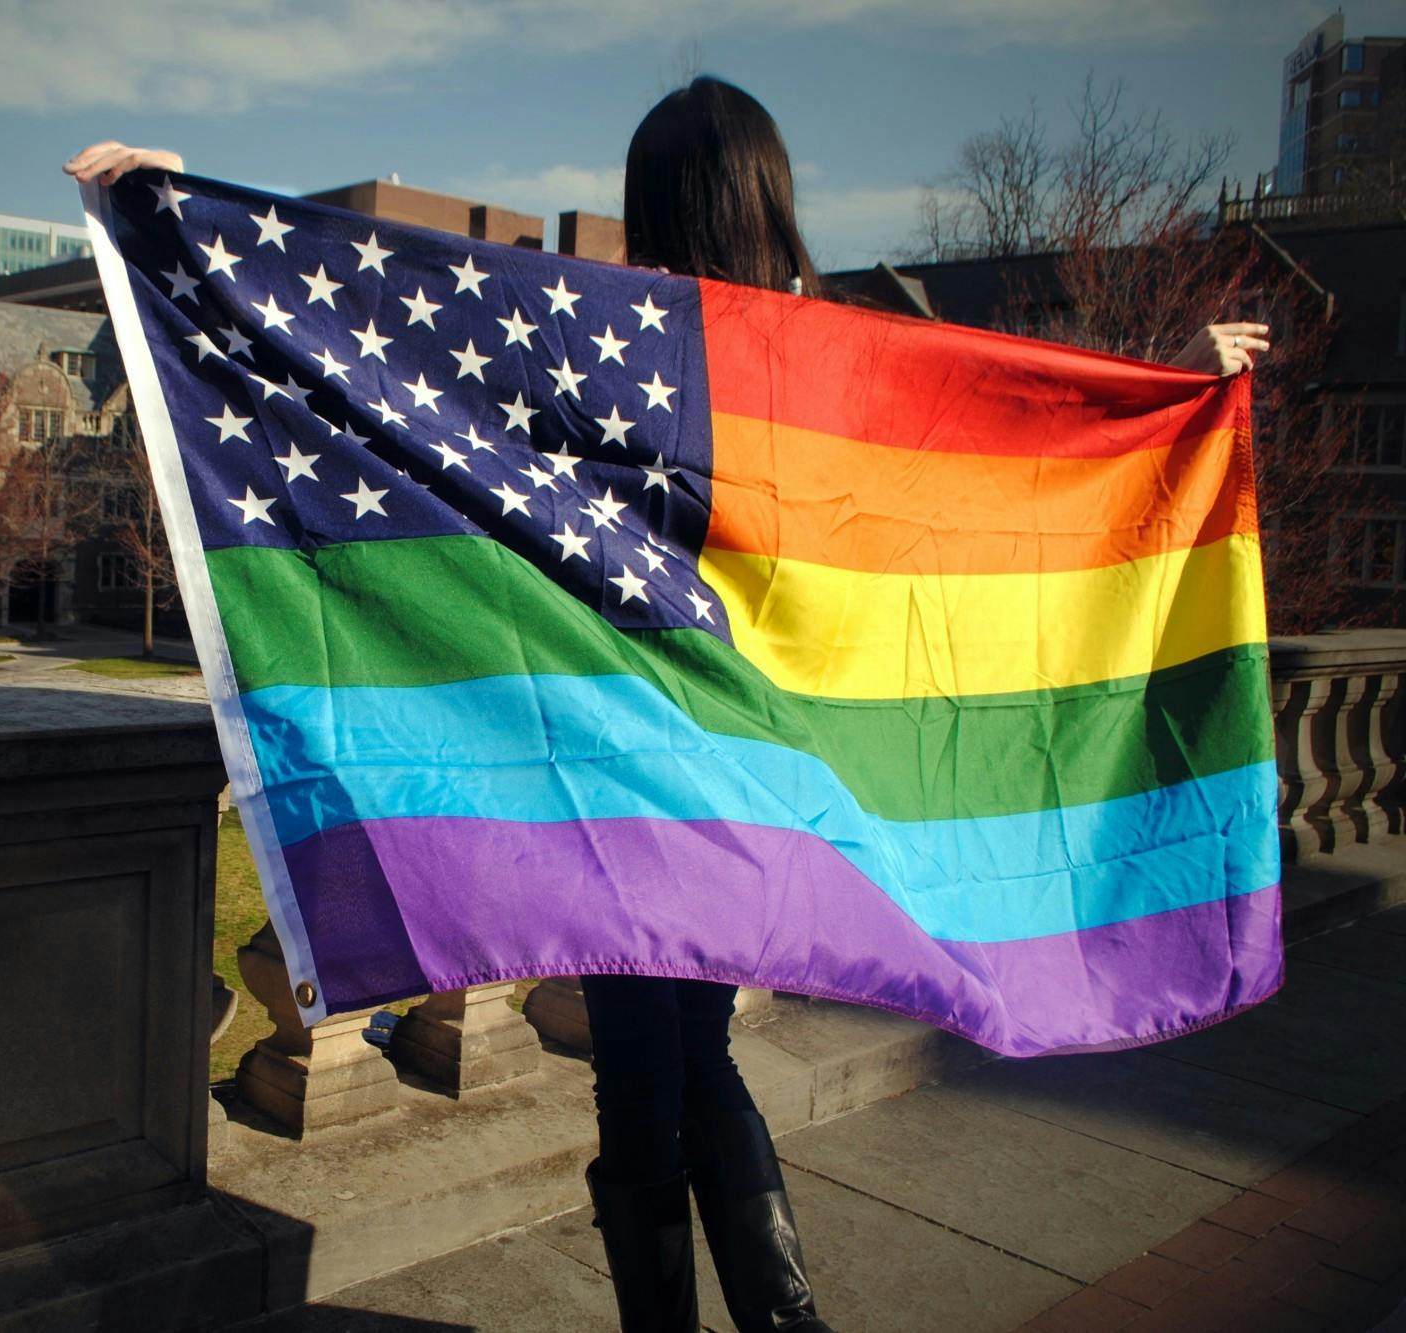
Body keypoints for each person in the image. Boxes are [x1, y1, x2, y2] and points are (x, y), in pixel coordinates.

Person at [66, 81, 1266, 1332]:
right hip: (759, 793)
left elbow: (379, 370)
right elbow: (988, 464)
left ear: (651, 200)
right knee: (692, 1057)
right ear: (771, 193)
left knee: (644, 1074)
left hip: (625, 776)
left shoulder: (598, 337)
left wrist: (176, 223)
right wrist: (1165, 389)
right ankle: (780, 1318)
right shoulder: (826, 354)